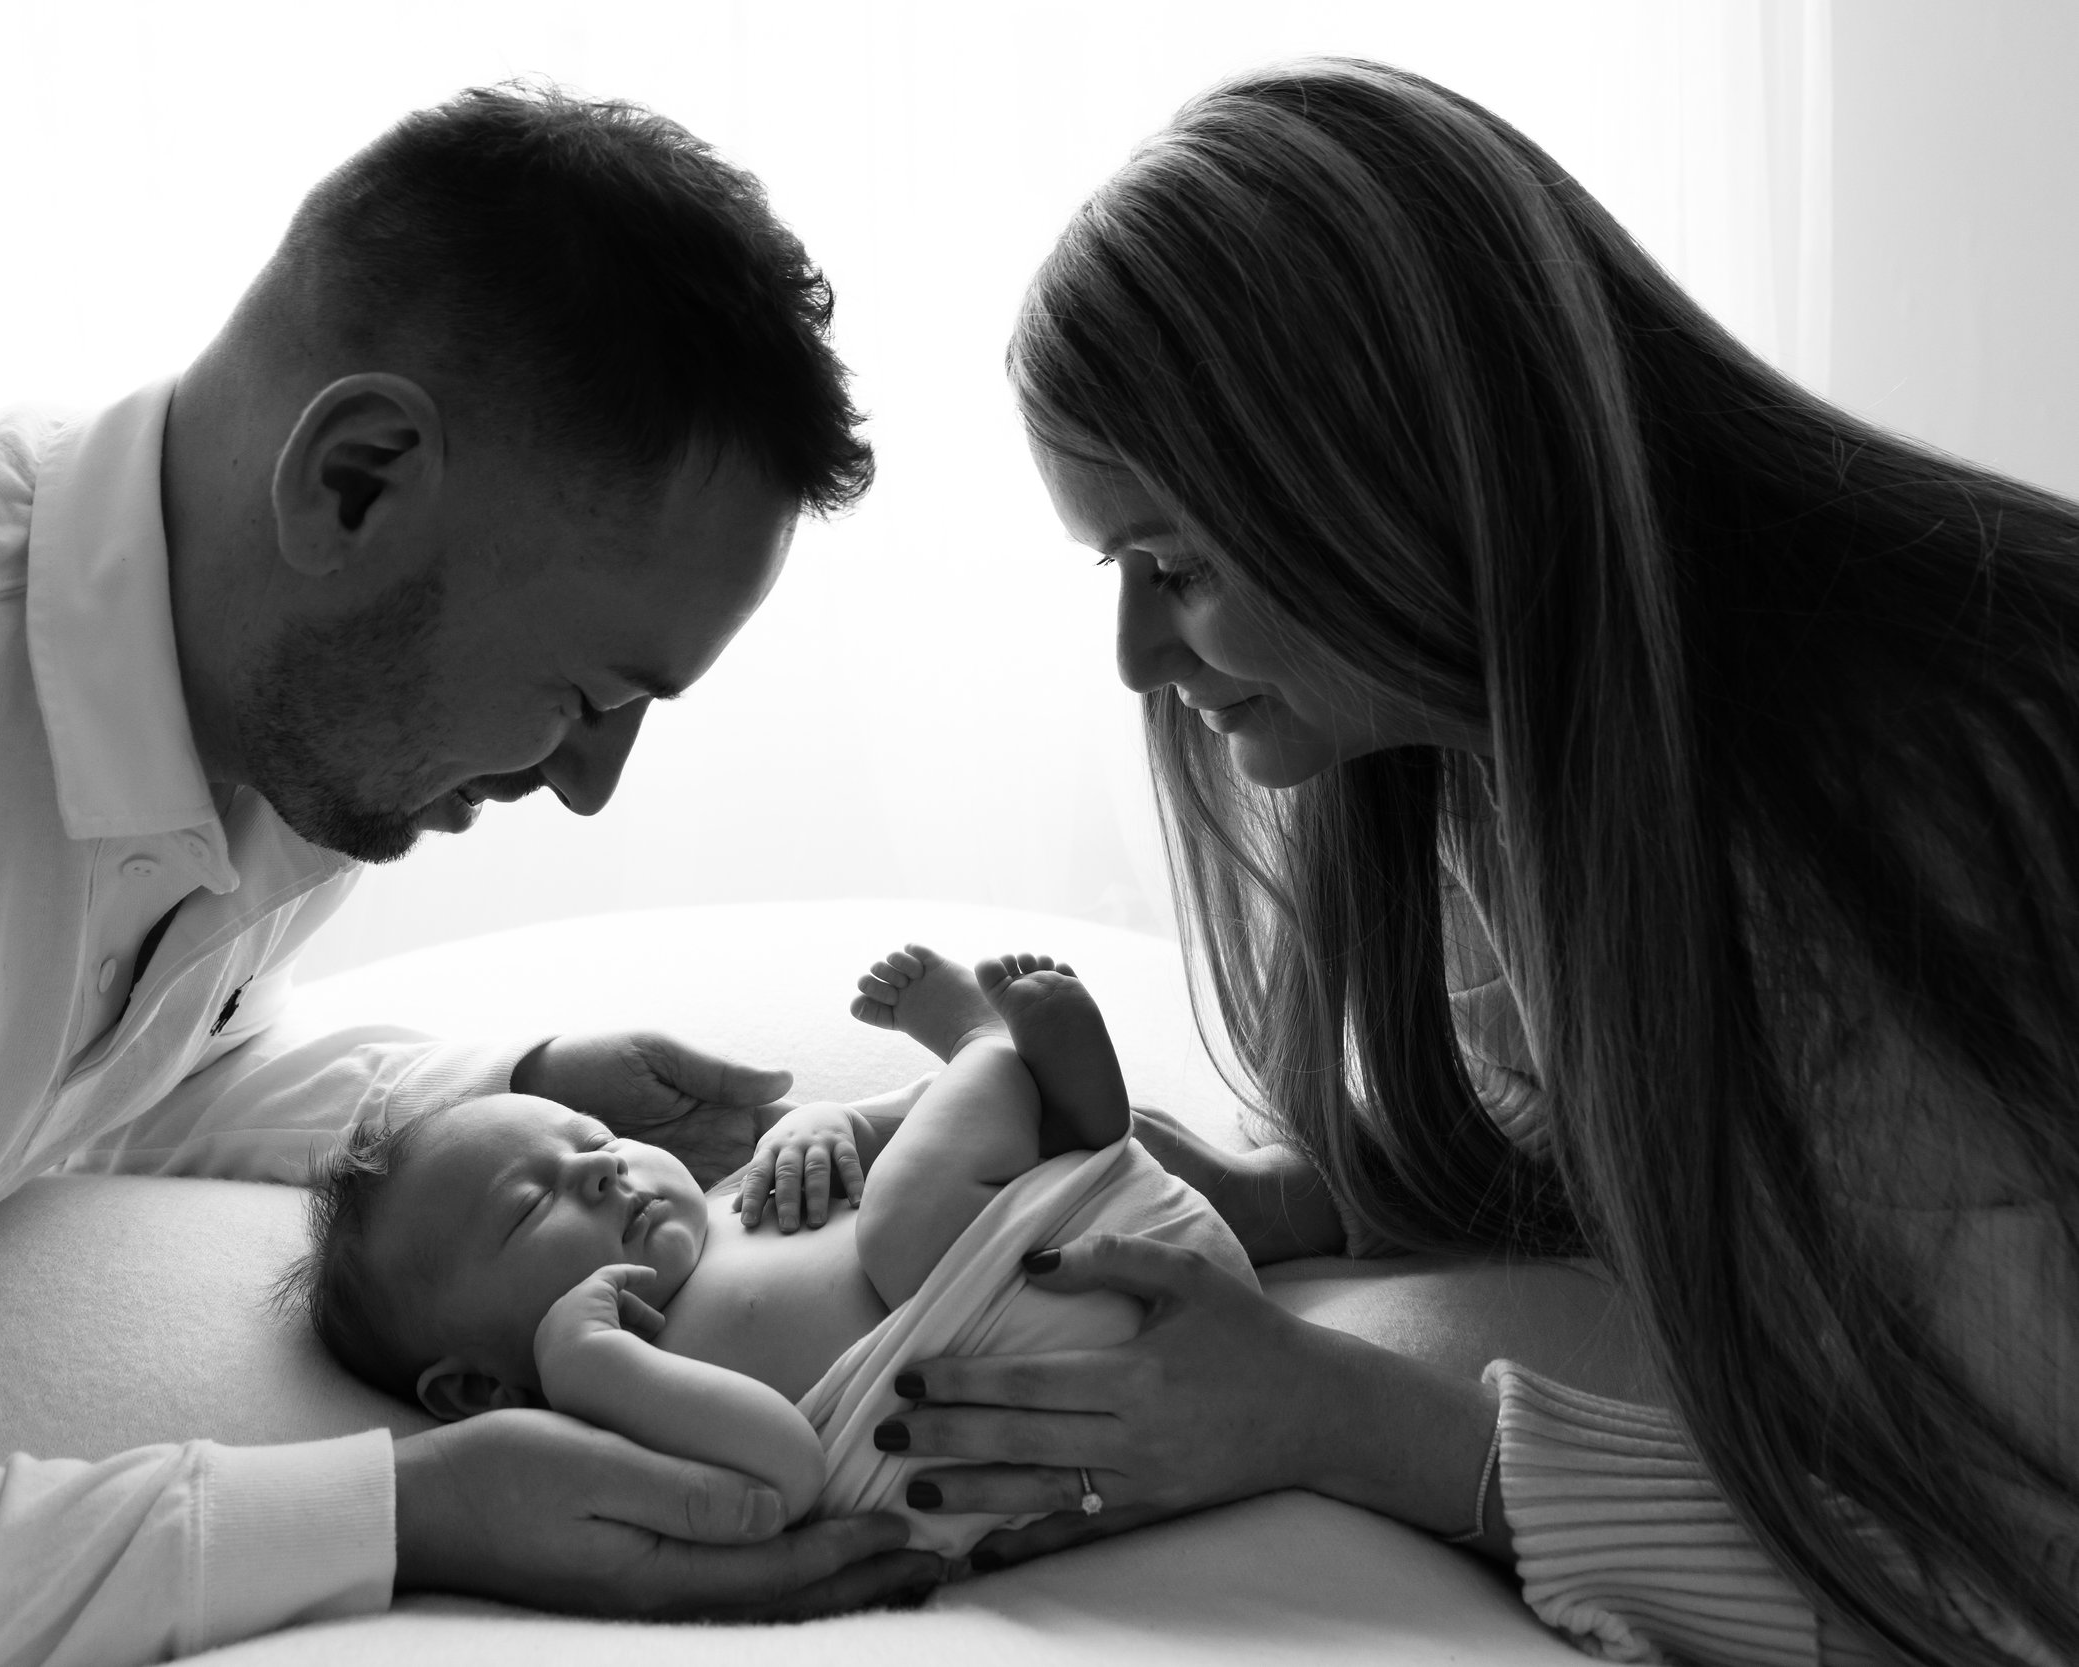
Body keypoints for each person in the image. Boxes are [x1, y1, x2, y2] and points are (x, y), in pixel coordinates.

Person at [0, 84, 944, 1667]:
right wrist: (404, 1510)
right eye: (583, 694)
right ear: (355, 477)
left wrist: (495, 1093)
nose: (585, 784)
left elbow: (79, 1053)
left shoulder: (268, 684)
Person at [876, 59, 2078, 1667]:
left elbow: (2011, 1582)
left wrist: (1360, 1421)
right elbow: (1645, 1127)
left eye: (1175, 562)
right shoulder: (1529, 740)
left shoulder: (1903, 837)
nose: (1133, 653)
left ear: (1384, 484)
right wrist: (1305, 1192)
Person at [287, 945, 1247, 1562]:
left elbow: (896, 1139)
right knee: (905, 1226)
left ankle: (1052, 1106)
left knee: (907, 1186)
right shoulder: (597, 1405)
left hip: (1082, 1234)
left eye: (595, 1138)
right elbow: (783, 1468)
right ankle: (987, 1049)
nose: (600, 1173)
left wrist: (828, 1120)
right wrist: (593, 1362)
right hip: (1055, 1356)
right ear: (475, 1390)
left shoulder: (725, 1197)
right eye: (533, 1204)